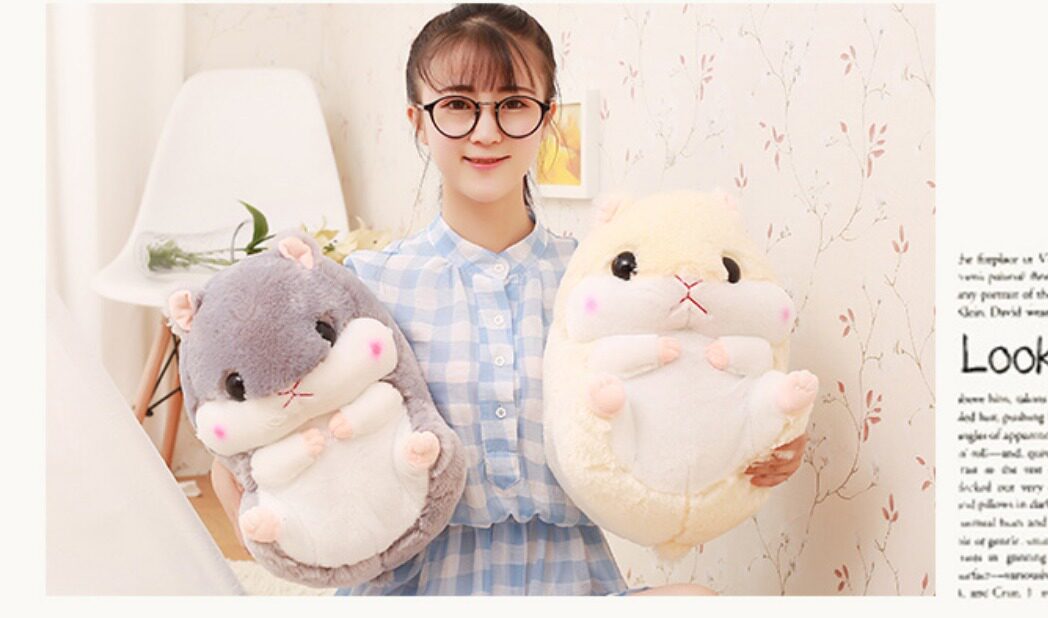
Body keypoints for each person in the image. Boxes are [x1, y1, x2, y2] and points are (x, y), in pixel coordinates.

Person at [209, 2, 807, 595]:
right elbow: (243, 449)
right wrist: (283, 531)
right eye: (458, 105)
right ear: (418, 121)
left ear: (547, 119)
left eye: (514, 104)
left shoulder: (599, 285)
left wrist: (762, 438)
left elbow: (688, 398)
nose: (487, 131)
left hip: (574, 584)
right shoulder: (367, 288)